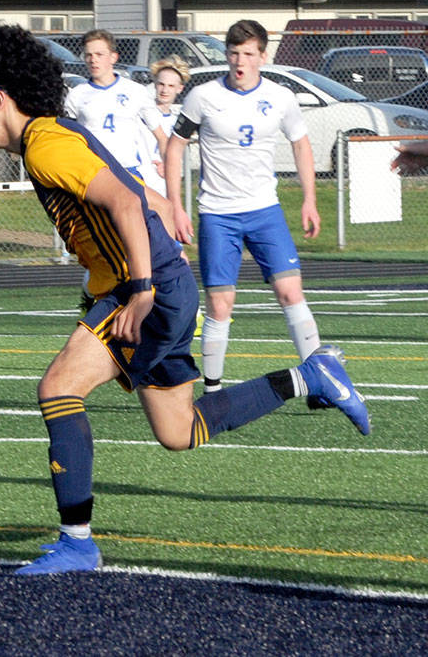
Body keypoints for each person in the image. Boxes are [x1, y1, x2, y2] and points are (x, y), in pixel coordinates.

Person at [0, 20, 368, 575]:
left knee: (58, 389)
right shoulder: (54, 134)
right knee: (180, 432)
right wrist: (165, 211)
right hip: (154, 285)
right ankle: (311, 376)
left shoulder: (48, 146)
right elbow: (131, 189)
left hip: (143, 291)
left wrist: (144, 291)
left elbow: (124, 207)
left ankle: (78, 542)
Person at [164, 20, 323, 394]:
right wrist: (176, 206)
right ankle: (213, 390)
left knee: (291, 293)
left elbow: (301, 144)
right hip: (218, 215)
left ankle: (320, 381)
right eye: (234, 53)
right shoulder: (203, 96)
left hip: (265, 211)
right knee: (220, 304)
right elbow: (174, 148)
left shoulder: (281, 97)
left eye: (248, 54)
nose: (240, 61)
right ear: (226, 55)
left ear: (262, 57)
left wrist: (309, 199)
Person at [64, 29, 168, 182]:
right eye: (88, 55)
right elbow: (69, 140)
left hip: (128, 171)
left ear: (113, 57)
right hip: (93, 174)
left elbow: (161, 136)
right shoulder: (77, 94)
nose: (93, 60)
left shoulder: (136, 91)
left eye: (99, 55)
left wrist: (167, 163)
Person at [134, 55, 189, 192]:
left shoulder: (178, 119)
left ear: (179, 88)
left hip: (164, 183)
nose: (165, 90)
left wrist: (170, 168)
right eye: (161, 84)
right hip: (142, 181)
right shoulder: (142, 113)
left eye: (171, 86)